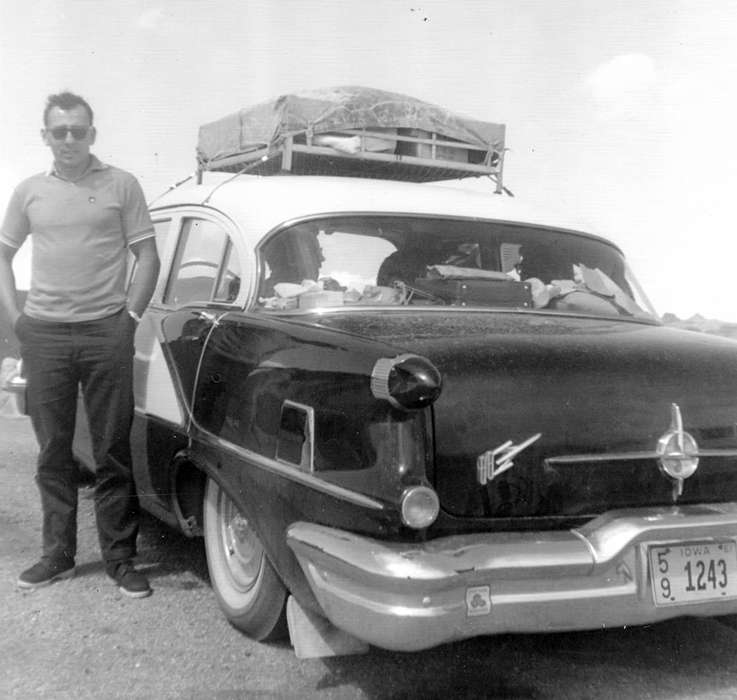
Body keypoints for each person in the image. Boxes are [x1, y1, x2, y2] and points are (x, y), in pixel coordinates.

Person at [0, 92, 160, 598]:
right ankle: (57, 556)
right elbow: (2, 255)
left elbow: (148, 257)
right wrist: (18, 320)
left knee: (113, 447)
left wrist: (128, 318)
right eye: (59, 131)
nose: (69, 139)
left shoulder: (121, 185)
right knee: (53, 450)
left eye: (78, 130)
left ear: (93, 134)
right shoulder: (29, 192)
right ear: (44, 135)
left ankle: (120, 559)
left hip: (104, 331)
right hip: (43, 333)